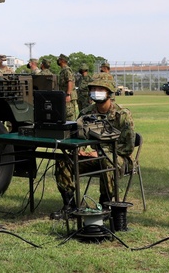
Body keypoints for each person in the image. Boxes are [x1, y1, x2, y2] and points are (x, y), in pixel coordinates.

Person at [54, 72, 135, 214]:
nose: (95, 92)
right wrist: (81, 150)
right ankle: (70, 205)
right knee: (63, 161)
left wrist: (99, 152)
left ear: (109, 92)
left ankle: (105, 205)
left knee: (106, 161)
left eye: (100, 89)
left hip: (118, 158)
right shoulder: (86, 113)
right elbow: (78, 137)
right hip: (92, 157)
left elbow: (128, 147)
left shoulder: (122, 115)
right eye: (93, 89)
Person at [56, 54, 77, 120]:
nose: (58, 61)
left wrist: (68, 94)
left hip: (68, 96)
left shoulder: (66, 70)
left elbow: (70, 81)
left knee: (69, 115)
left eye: (59, 59)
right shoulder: (63, 70)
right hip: (65, 95)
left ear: (62, 61)